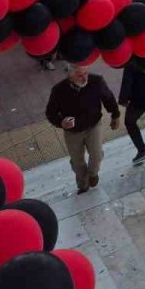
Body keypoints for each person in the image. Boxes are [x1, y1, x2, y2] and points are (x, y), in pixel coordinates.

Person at [45, 64, 120, 194]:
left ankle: (93, 173)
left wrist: (115, 115)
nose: (84, 78)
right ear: (70, 76)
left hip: (93, 124)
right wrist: (60, 123)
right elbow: (50, 113)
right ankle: (82, 184)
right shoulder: (58, 90)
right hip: (72, 131)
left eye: (85, 73)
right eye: (80, 75)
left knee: (96, 154)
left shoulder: (96, 81)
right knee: (77, 161)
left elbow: (108, 98)